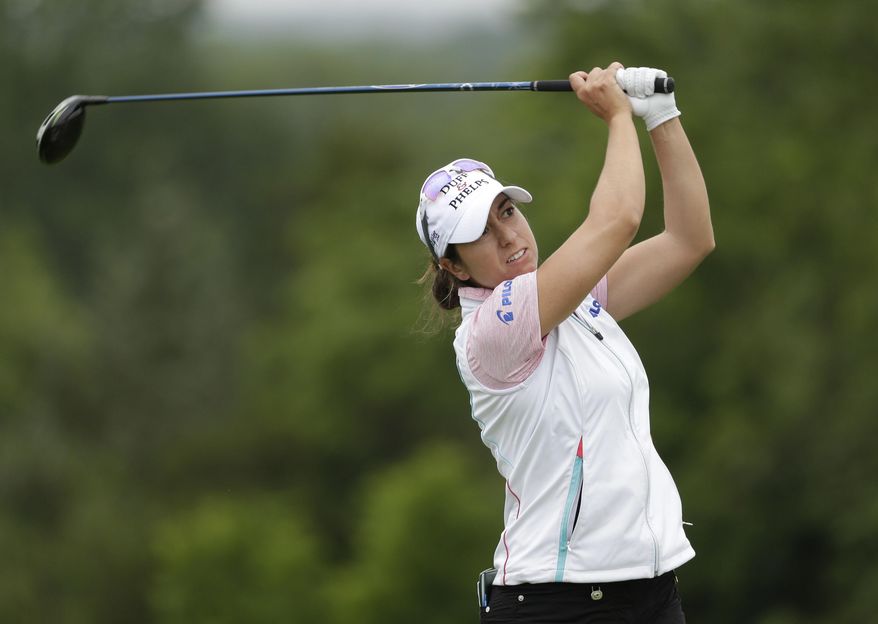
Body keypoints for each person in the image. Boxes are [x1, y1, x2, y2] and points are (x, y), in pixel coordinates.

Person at [414, 63, 714, 623]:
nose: (507, 235)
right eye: (479, 234)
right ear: (453, 266)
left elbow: (689, 239)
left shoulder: (575, 302)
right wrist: (617, 117)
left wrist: (662, 117)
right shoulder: (493, 331)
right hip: (559, 603)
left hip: (650, 592)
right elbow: (619, 217)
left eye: (506, 212)